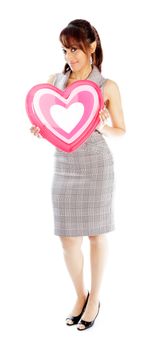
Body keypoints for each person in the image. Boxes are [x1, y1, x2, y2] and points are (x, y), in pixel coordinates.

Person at [30, 19, 126, 331]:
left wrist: (101, 126)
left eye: (75, 49)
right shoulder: (54, 82)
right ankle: (79, 294)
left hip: (97, 165)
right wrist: (40, 130)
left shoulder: (106, 85)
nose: (70, 56)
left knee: (96, 234)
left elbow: (121, 131)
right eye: (66, 49)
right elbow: (52, 123)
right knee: (67, 239)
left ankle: (95, 298)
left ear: (92, 47)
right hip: (64, 166)